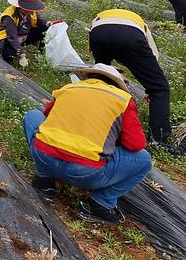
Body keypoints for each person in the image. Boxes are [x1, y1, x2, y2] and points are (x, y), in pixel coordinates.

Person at [22, 64, 152, 224]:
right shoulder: (122, 100)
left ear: (89, 77)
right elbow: (135, 144)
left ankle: (44, 180)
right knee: (144, 160)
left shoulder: (69, 88)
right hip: (85, 173)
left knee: (32, 115)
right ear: (117, 84)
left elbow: (47, 117)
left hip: (44, 158)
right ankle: (100, 204)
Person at [89, 8, 171, 143]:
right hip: (130, 35)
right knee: (159, 88)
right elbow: (152, 58)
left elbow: (94, 49)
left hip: (99, 31)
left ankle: (97, 119)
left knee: (101, 78)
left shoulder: (103, 15)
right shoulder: (142, 27)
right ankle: (159, 139)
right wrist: (150, 89)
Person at [0, 0, 49, 68]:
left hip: (24, 36)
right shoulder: (9, 16)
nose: (29, 10)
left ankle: (42, 53)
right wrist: (22, 55)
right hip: (8, 40)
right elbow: (12, 37)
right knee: (9, 54)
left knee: (44, 28)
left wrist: (48, 23)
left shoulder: (31, 11)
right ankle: (11, 58)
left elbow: (39, 21)